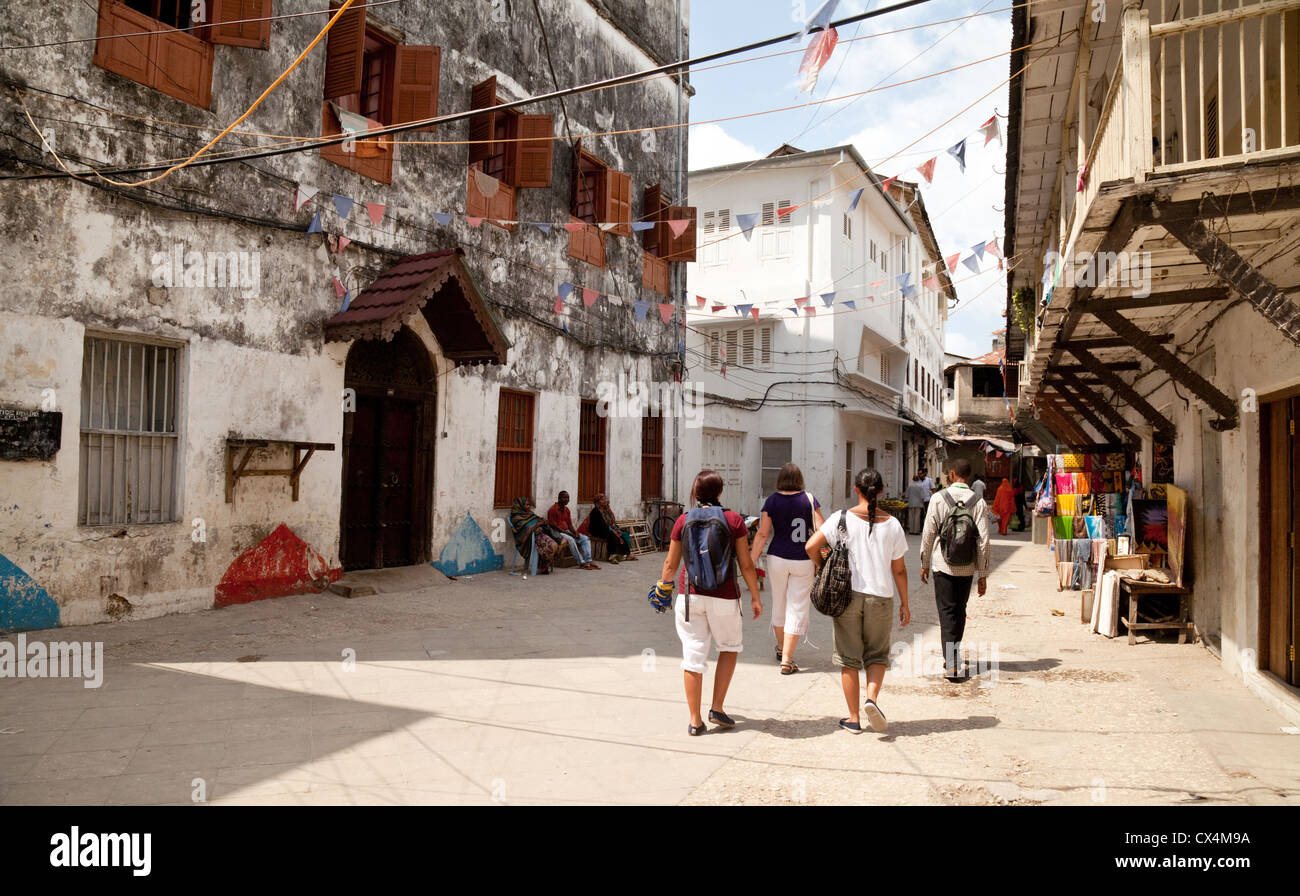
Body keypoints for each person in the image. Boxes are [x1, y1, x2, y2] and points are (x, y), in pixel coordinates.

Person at [656, 470, 762, 736]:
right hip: (725, 596)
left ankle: (695, 720)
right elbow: (746, 563)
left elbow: (671, 563)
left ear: (696, 492)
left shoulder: (683, 520)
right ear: (719, 492)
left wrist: (663, 587)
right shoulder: (734, 519)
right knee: (729, 647)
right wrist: (756, 597)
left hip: (690, 596)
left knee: (692, 654)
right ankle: (716, 707)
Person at [805, 468, 910, 735]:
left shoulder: (840, 518)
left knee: (848, 659)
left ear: (856, 489)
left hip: (846, 597)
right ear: (883, 491)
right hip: (881, 598)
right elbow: (899, 570)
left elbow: (810, 547)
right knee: (877, 655)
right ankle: (871, 699)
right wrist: (905, 603)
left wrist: (821, 566)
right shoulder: (893, 525)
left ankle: (853, 718)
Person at [919, 459, 991, 682]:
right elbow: (984, 541)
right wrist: (982, 574)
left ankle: (951, 662)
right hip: (967, 566)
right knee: (960, 611)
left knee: (946, 613)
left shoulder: (939, 498)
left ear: (951, 474)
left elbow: (929, 533)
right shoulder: (978, 502)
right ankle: (953, 655)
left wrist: (924, 563)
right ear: (968, 476)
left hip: (943, 564)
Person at [750, 462, 823, 674]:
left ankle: (782, 648)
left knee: (779, 603)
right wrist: (820, 559)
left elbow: (762, 534)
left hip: (777, 558)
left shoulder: (772, 501)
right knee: (798, 606)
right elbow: (821, 528)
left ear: (780, 480)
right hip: (803, 558)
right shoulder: (809, 500)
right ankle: (787, 659)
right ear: (800, 479)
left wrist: (750, 561)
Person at [509, 497, 561, 575]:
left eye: (529, 504)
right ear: (520, 506)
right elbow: (526, 529)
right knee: (552, 546)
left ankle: (544, 565)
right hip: (529, 540)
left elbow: (536, 520)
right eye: (527, 505)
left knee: (560, 543)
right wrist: (538, 524)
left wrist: (542, 522)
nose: (529, 506)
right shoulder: (516, 518)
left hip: (539, 535)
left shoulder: (530, 514)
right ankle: (543, 565)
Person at [547, 490, 598, 570]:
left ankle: (588, 560)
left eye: (568, 498)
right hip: (557, 533)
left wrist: (575, 533)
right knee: (571, 539)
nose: (567, 499)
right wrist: (570, 535)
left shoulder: (567, 510)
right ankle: (581, 562)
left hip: (566, 532)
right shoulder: (553, 510)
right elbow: (555, 527)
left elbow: (570, 525)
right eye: (564, 498)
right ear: (559, 498)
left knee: (585, 538)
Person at [582, 494, 637, 563]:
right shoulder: (595, 511)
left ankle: (626, 554)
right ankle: (612, 556)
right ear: (597, 502)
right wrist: (613, 531)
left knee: (623, 533)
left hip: (606, 529)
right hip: (598, 531)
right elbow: (601, 525)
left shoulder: (605, 511)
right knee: (613, 535)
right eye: (602, 500)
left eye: (605, 499)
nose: (605, 501)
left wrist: (617, 529)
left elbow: (611, 522)